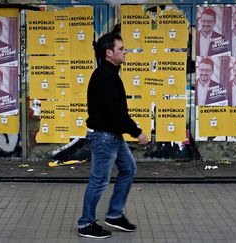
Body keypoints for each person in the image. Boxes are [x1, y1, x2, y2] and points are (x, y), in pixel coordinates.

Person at [77, 33, 149, 239]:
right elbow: (116, 114)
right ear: (109, 53)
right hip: (103, 137)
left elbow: (117, 114)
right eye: (121, 49)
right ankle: (85, 224)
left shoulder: (110, 74)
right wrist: (137, 133)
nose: (125, 51)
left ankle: (114, 214)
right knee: (99, 180)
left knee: (129, 168)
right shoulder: (104, 76)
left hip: (113, 136)